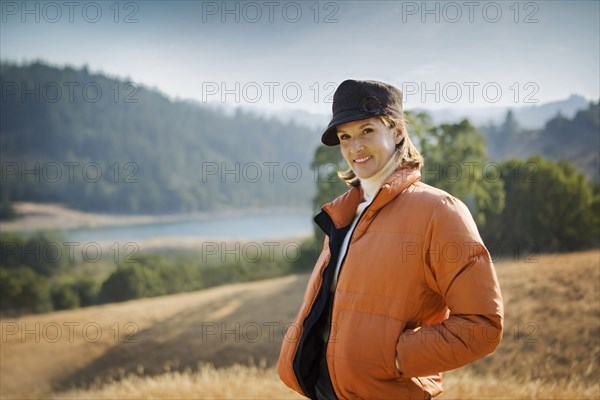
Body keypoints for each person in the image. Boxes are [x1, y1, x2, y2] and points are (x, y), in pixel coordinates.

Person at [277, 79, 504, 399]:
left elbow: (482, 325)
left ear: (397, 131)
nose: (354, 148)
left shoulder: (439, 211)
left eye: (367, 131)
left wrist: (393, 357)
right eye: (345, 137)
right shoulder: (345, 214)